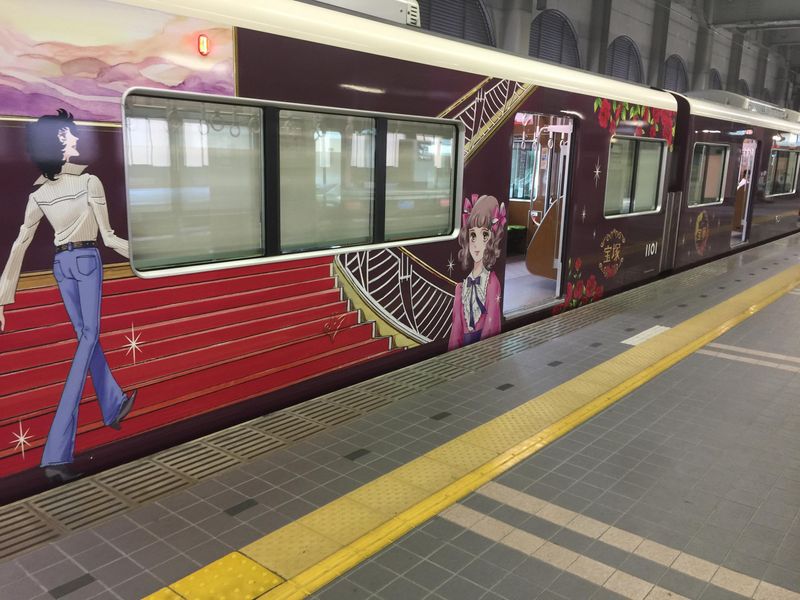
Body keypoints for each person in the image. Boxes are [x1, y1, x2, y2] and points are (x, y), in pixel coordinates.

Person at [0, 109, 136, 482]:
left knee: (85, 337)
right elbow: (109, 238)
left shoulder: (39, 195)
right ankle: (56, 452)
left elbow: (20, 242)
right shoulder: (89, 182)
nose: (76, 138)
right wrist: (146, 256)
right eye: (70, 134)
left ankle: (113, 405)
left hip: (62, 266)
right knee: (89, 338)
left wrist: (2, 297)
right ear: (60, 143)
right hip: (88, 261)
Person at [448, 194, 504, 350]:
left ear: (492, 239)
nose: (476, 243)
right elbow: (456, 329)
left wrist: (482, 354)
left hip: (482, 350)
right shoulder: (460, 288)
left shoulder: (492, 284)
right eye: (473, 235)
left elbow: (491, 326)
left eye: (484, 235)